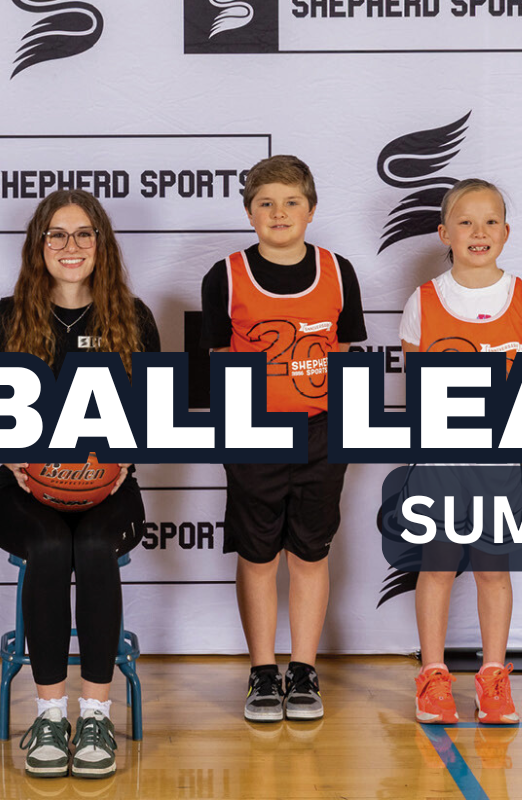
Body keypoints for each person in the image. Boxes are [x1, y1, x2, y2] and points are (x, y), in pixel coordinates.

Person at [0, 189, 159, 778]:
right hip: (23, 491)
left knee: (94, 544)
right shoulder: (3, 320)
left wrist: (123, 462)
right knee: (53, 545)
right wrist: (13, 459)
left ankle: (97, 716)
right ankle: (51, 715)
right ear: (38, 245)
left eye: (84, 233)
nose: (70, 245)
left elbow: (154, 415)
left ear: (102, 244)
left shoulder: (133, 318)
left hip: (110, 488)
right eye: (56, 234)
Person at [199, 155, 366, 723]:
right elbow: (218, 363)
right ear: (249, 213)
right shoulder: (225, 276)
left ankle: (303, 669)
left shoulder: (338, 270)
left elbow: (345, 357)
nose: (279, 212)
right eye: (265, 203)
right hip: (254, 431)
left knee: (310, 552)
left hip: (323, 431)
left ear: (311, 210)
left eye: (292, 201)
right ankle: (263, 671)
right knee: (258, 553)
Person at [398, 178, 522, 726]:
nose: (478, 231)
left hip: (501, 459)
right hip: (441, 458)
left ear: (506, 233)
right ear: (445, 233)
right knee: (438, 565)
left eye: (490, 222)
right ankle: (433, 676)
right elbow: (415, 387)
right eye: (465, 221)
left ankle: (492, 677)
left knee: (492, 568)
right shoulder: (424, 300)